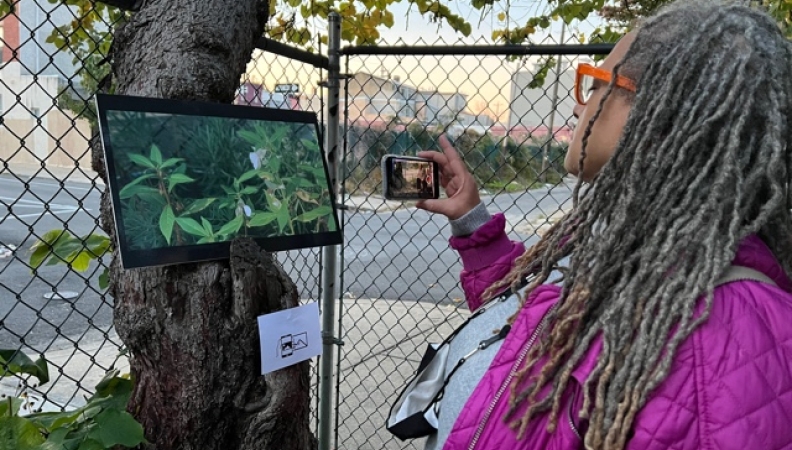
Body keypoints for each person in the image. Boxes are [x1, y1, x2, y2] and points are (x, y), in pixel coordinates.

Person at [415, 1, 792, 449]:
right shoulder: (630, 248)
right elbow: (530, 321)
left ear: (660, 111)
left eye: (594, 84)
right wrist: (471, 220)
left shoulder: (720, 337)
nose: (579, 107)